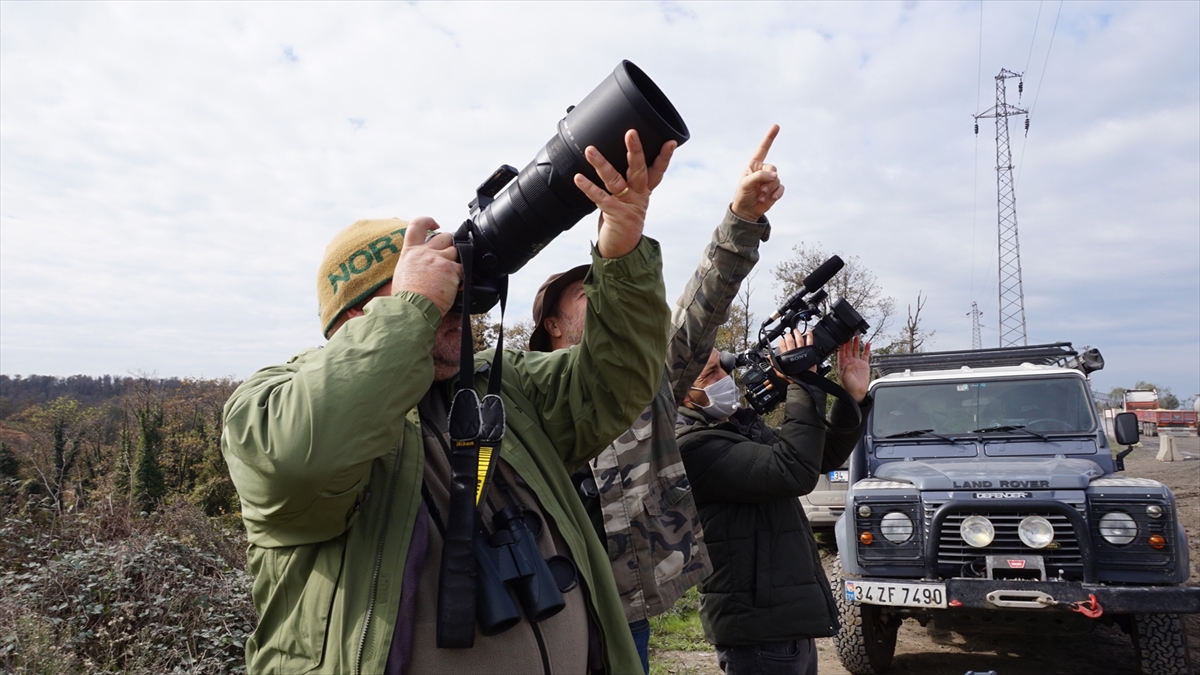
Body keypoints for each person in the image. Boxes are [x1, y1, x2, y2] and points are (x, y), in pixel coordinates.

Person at [221, 130, 674, 675]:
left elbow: (617, 381)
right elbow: (300, 459)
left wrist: (621, 253)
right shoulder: (267, 404)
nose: (454, 306)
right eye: (428, 290)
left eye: (453, 289)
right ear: (357, 317)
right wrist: (413, 310)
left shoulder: (498, 385)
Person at [528, 126, 785, 674]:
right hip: (546, 608)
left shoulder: (644, 377)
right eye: (588, 294)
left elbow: (702, 305)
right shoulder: (518, 401)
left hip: (627, 610)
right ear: (552, 323)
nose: (604, 298)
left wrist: (741, 219)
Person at [676, 332, 873, 675]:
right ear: (681, 393)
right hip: (759, 631)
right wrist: (803, 383)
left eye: (722, 367)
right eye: (709, 374)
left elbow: (817, 456)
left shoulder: (734, 428)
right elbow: (792, 470)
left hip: (781, 621)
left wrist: (851, 398)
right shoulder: (694, 447)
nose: (724, 378)